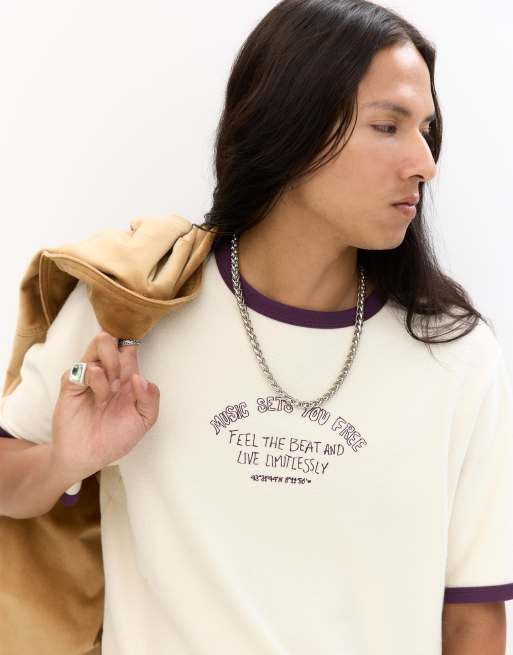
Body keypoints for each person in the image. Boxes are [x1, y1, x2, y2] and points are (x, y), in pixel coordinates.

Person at [1, 0, 512, 653]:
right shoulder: (133, 307)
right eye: (387, 126)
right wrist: (65, 462)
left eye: (426, 130)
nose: (424, 163)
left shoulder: (455, 354)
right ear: (290, 125)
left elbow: (472, 615)